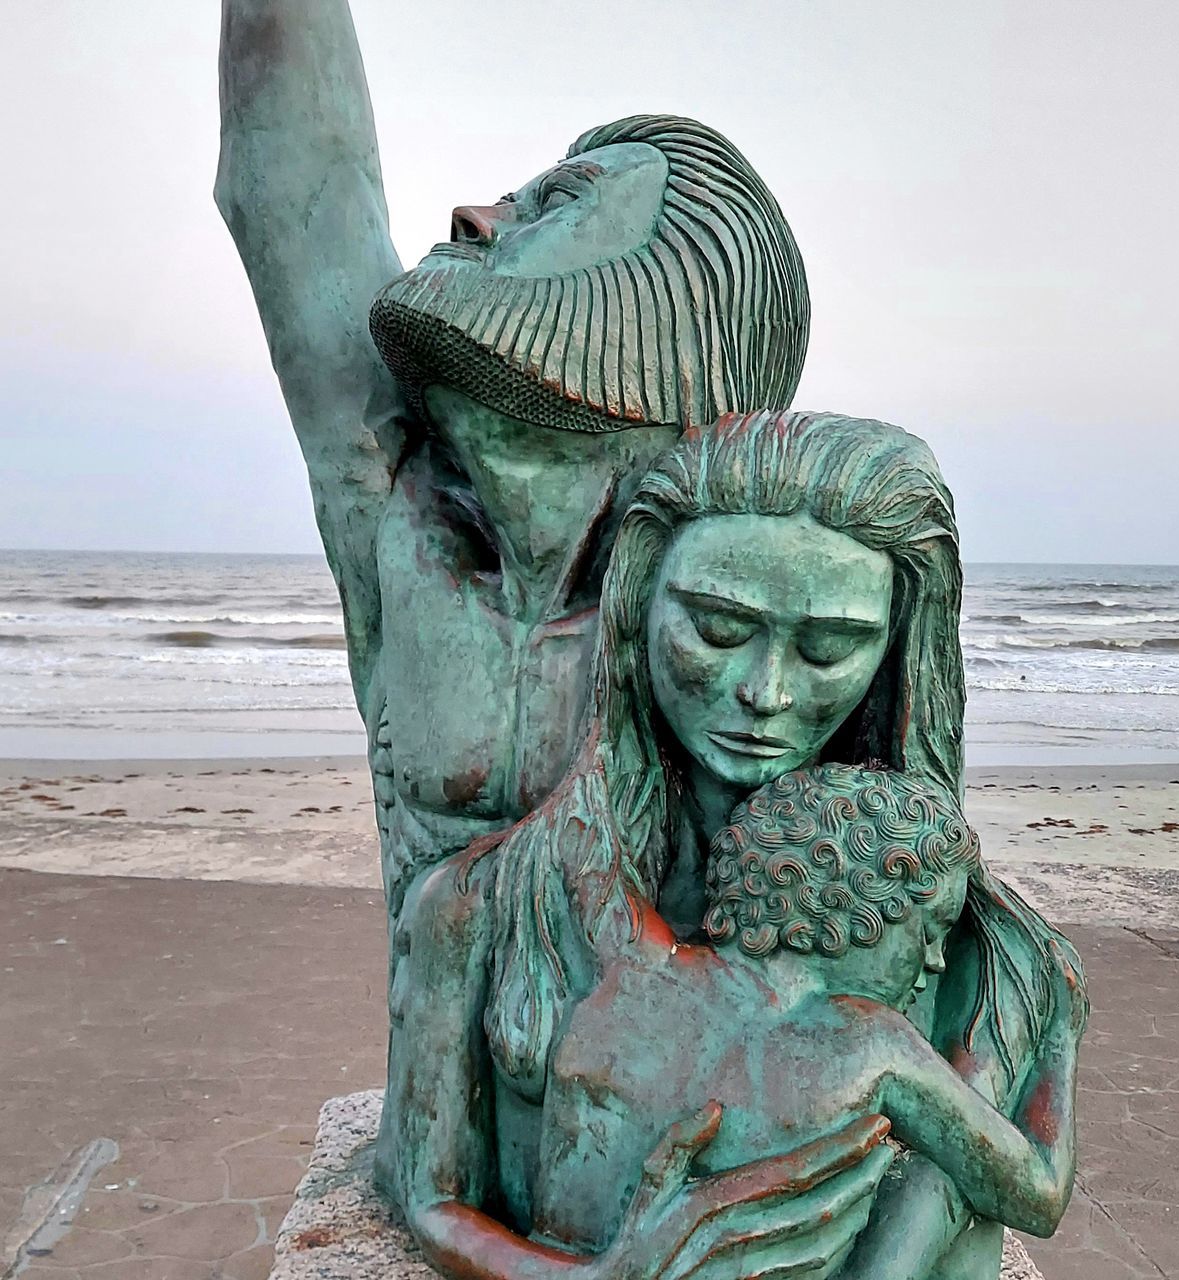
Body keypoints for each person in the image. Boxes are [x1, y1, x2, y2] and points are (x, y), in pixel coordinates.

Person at [383, 411, 1086, 1280]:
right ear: (637, 611)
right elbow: (428, 1196)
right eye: (716, 630)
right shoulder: (475, 907)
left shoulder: (965, 940)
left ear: (897, 649)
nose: (765, 691)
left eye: (831, 648)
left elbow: (973, 1203)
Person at [215, 1, 810, 925]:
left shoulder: (737, 612)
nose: (476, 216)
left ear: (667, 309)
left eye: (555, 204)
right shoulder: (398, 511)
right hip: (429, 1063)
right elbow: (295, 182)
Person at [534, 765, 1079, 1274]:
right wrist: (1060, 1036)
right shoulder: (870, 1042)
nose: (936, 960)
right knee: (950, 1177)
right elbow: (1040, 1196)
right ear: (861, 909)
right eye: (930, 928)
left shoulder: (628, 970)